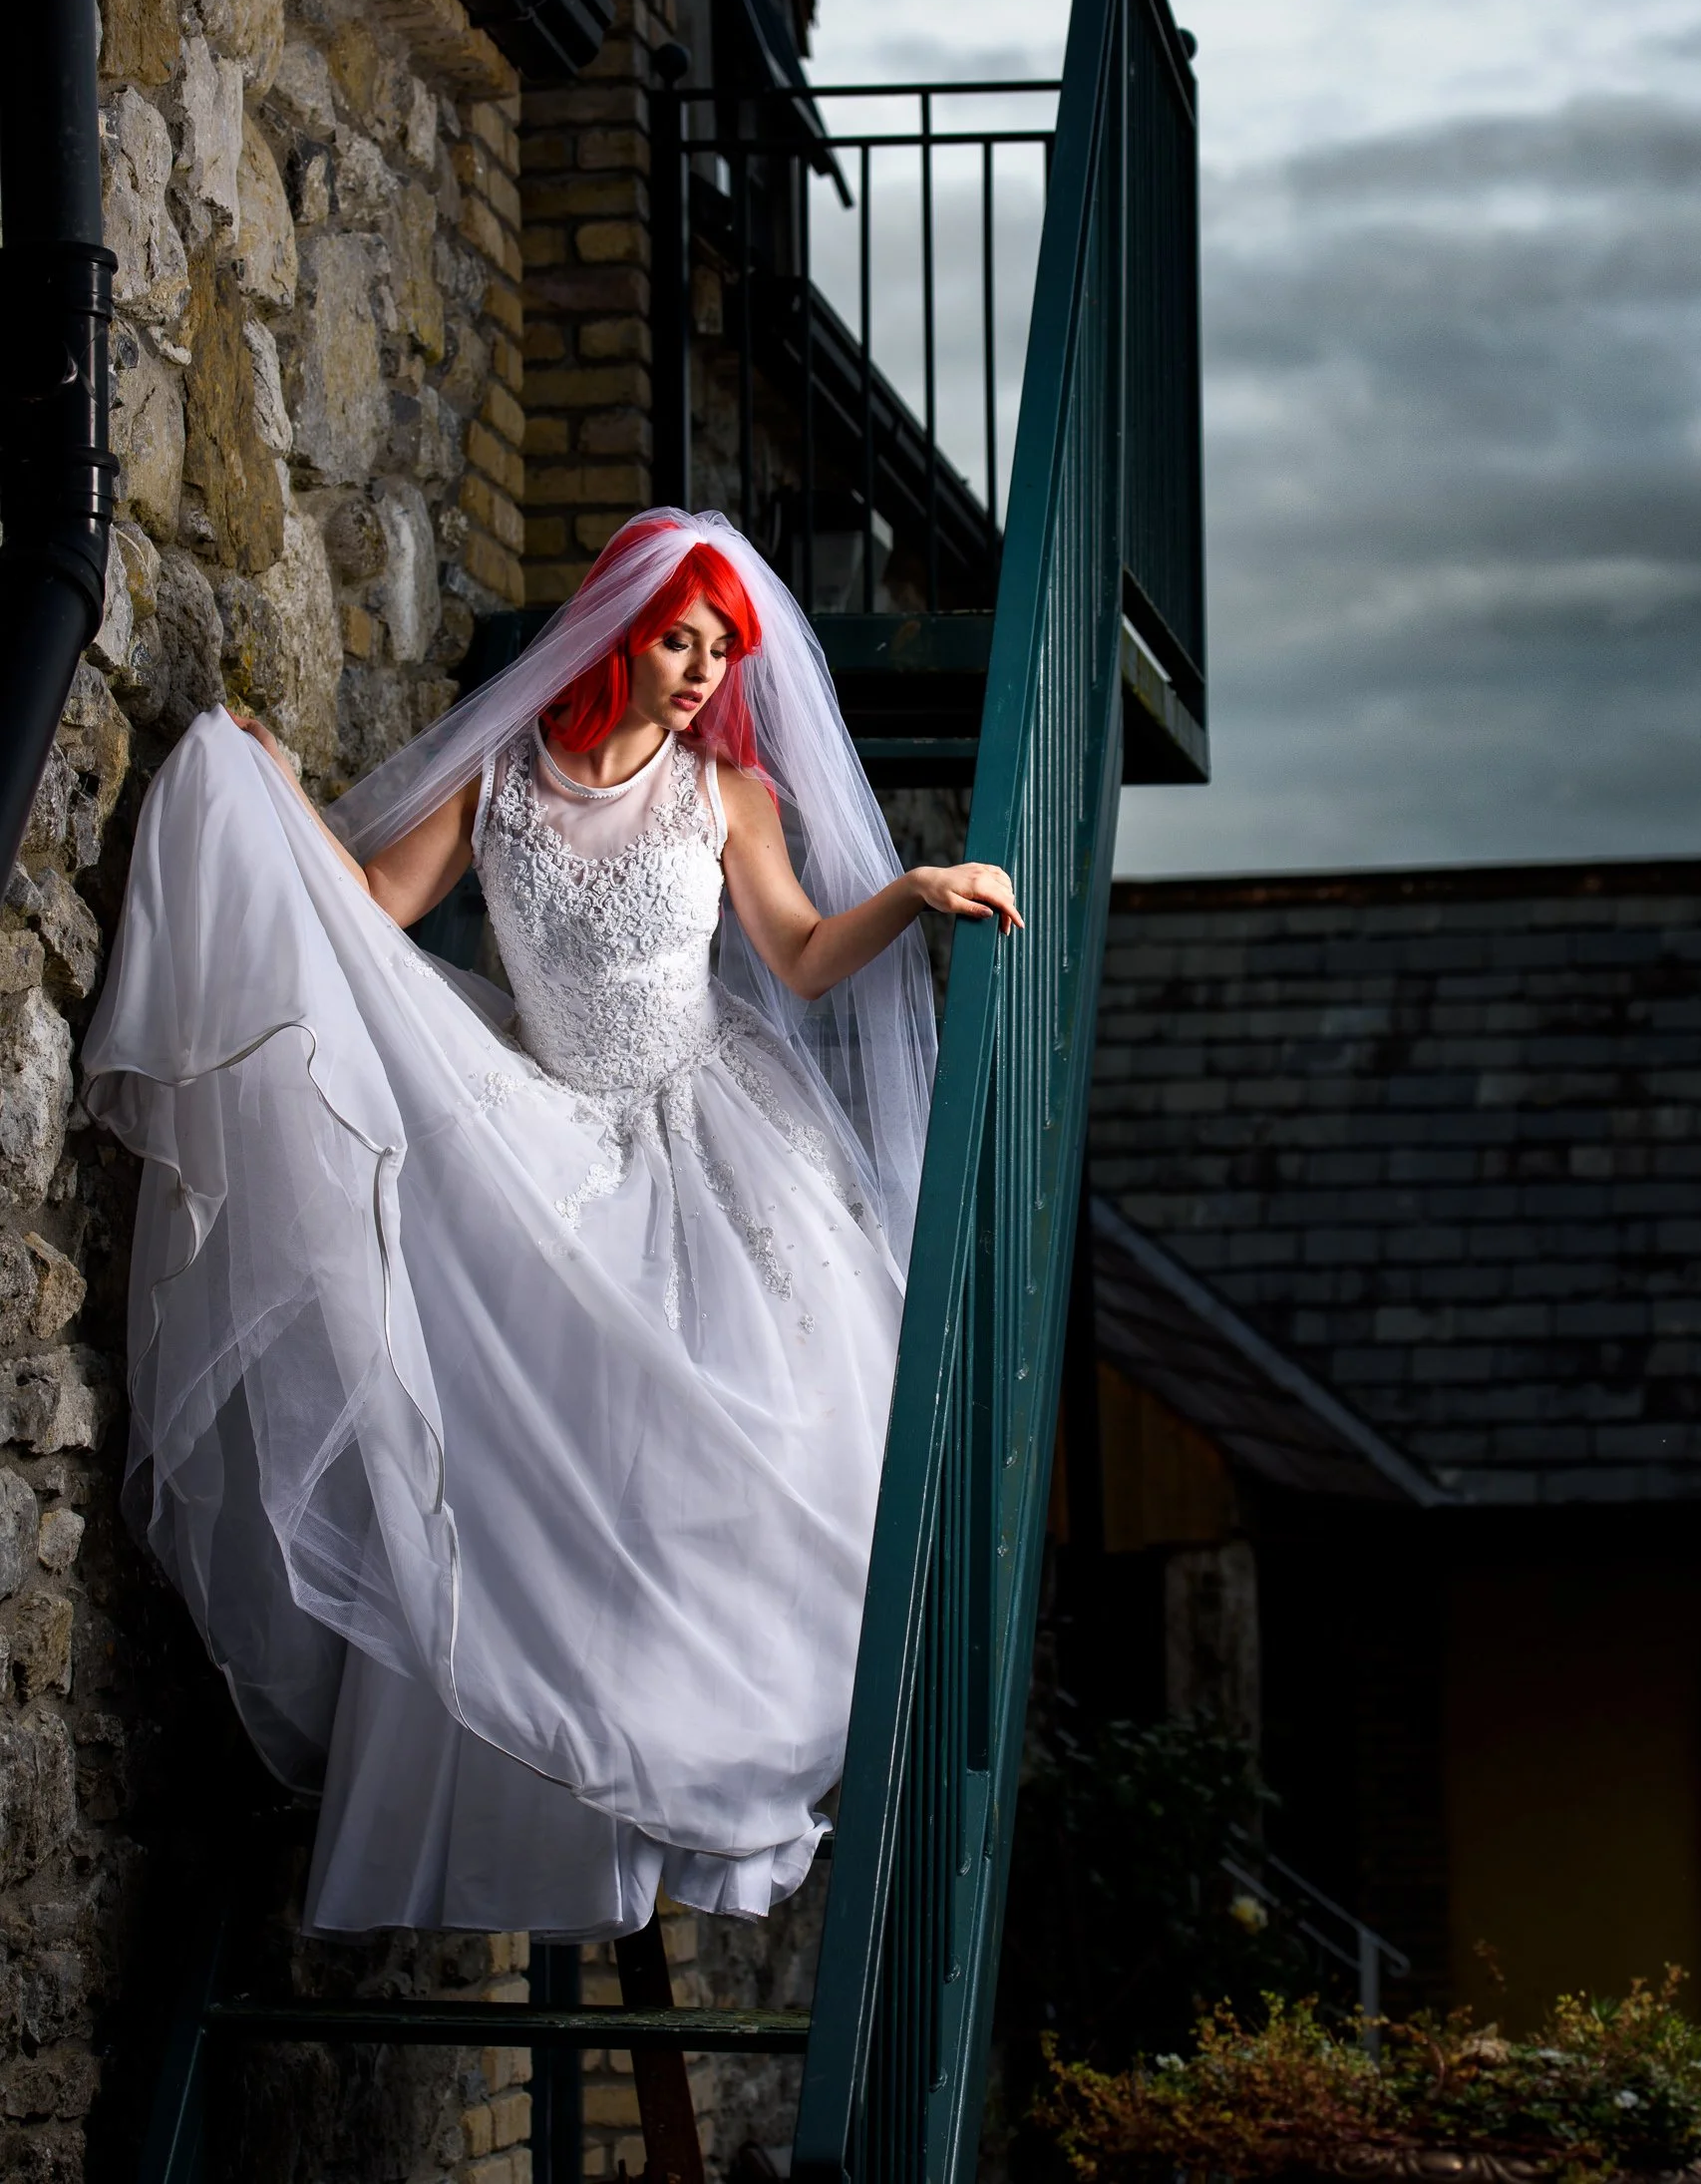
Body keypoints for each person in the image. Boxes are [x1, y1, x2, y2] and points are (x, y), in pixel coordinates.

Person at [82, 510, 1019, 1936]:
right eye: (679, 641)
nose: (703, 670)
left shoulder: (727, 795)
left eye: (722, 649)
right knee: (512, 1441)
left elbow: (801, 957)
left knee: (736, 1436)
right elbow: (379, 904)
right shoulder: (500, 778)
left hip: (711, 1138)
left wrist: (906, 896)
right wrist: (274, 803)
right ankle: (550, 1792)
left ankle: (695, 1745)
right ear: (618, 635)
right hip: (549, 1124)